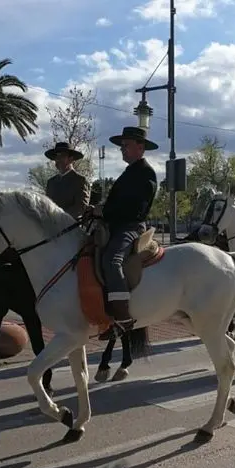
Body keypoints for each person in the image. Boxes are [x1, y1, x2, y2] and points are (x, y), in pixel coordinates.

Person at [86, 126, 159, 340]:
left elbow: (135, 209)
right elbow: (116, 203)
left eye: (126, 145)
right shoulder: (129, 172)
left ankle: (123, 317)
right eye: (121, 146)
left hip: (130, 227)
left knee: (112, 260)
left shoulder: (146, 173)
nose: (122, 149)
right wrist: (98, 210)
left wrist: (103, 211)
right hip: (115, 225)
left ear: (140, 147)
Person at [44, 142, 90, 219]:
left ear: (71, 159)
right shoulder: (51, 182)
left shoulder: (80, 180)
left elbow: (81, 207)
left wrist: (59, 217)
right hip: (51, 223)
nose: (58, 159)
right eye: (56, 156)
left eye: (62, 156)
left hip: (71, 224)